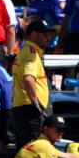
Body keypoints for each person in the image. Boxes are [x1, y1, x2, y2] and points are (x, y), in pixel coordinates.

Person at [10, 19, 52, 148]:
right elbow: (29, 79)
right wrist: (37, 105)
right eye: (45, 34)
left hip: (22, 108)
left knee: (24, 152)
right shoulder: (31, 53)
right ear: (33, 34)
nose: (48, 38)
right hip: (30, 111)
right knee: (34, 151)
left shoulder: (25, 51)